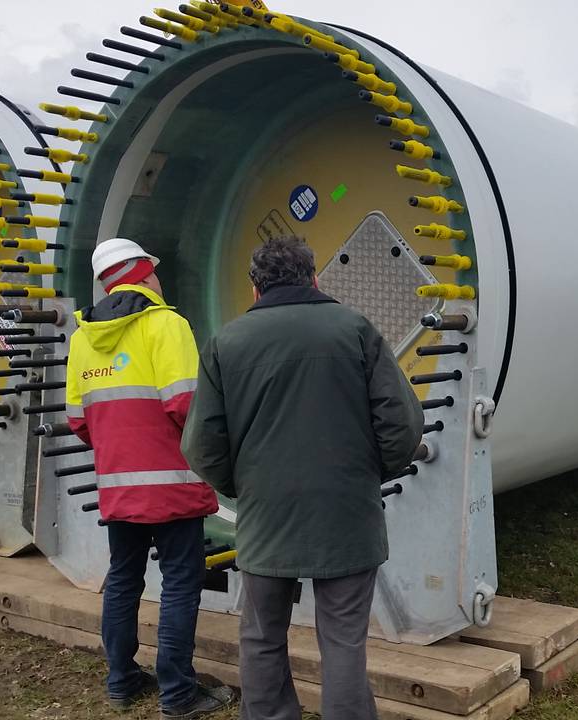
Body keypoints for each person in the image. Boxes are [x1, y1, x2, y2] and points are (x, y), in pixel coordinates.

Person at [182, 235, 423, 720]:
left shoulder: (225, 343)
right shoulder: (355, 329)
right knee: (342, 642)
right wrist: (369, 475)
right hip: (347, 513)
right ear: (314, 278)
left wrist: (243, 486)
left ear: (255, 288)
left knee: (262, 637)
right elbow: (402, 424)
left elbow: (200, 445)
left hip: (267, 515)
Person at [66, 238, 233, 719]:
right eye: (154, 271)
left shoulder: (82, 339)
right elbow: (187, 407)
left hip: (118, 485)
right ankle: (178, 693)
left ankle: (121, 681)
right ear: (143, 274)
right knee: (181, 583)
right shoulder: (166, 325)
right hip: (173, 484)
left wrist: (121, 449)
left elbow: (79, 421)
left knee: (123, 580)